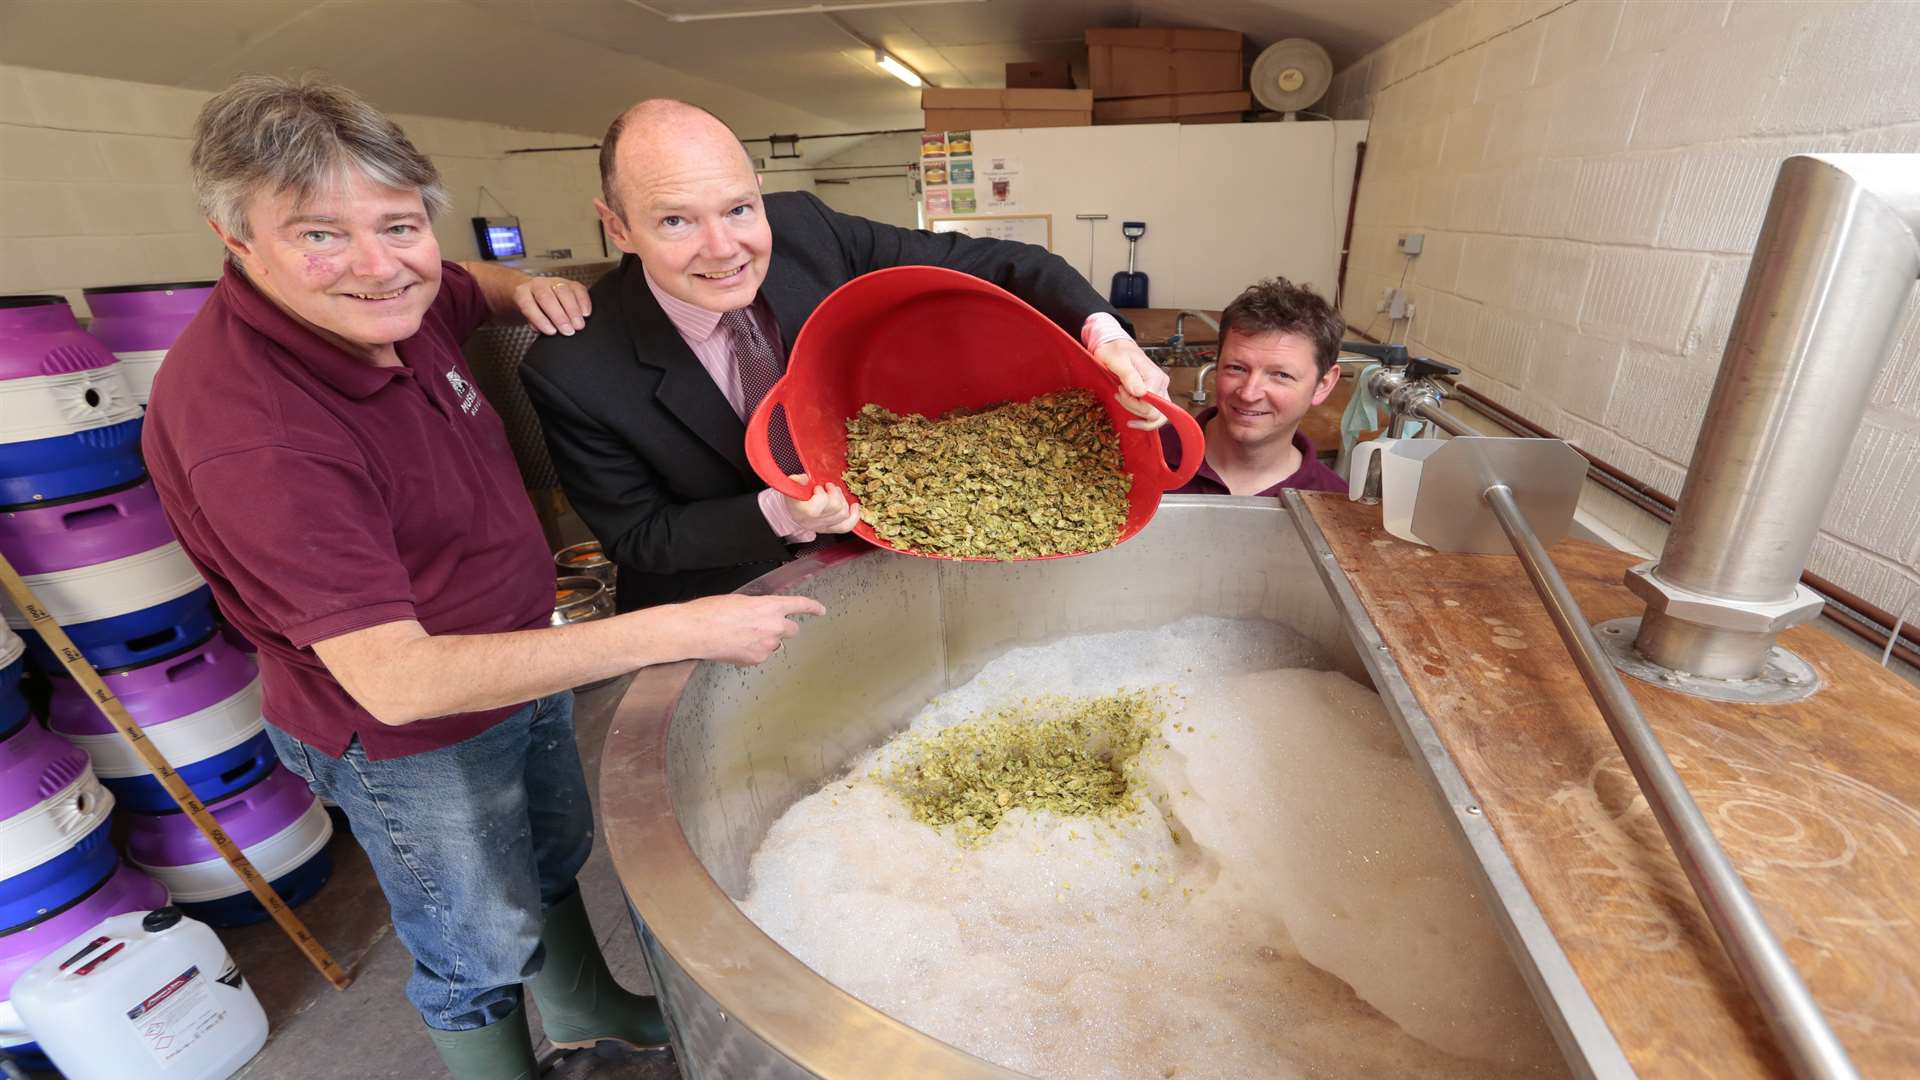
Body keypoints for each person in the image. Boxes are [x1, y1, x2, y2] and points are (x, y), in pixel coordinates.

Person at [141, 75, 824, 1080]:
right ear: (237, 240)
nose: (379, 267)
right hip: (409, 734)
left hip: (520, 655)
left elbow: (449, 279)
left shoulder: (398, 297)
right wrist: (677, 628)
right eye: (319, 235)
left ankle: (591, 1012)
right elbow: (399, 682)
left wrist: (518, 288)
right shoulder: (256, 431)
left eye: (400, 224)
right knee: (473, 939)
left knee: (550, 857)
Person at [520, 99, 1172, 611]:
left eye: (739, 209)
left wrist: (1108, 339)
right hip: (731, 607)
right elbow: (641, 537)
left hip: (889, 569)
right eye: (675, 222)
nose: (723, 248)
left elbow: (1007, 262)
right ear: (618, 227)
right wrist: (781, 511)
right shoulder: (575, 371)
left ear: (760, 191)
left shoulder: (808, 230)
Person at [1162, 277, 1348, 496]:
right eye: (1237, 368)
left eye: (1281, 375)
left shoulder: (1333, 503)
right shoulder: (1138, 456)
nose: (1249, 394)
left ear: (1323, 385)